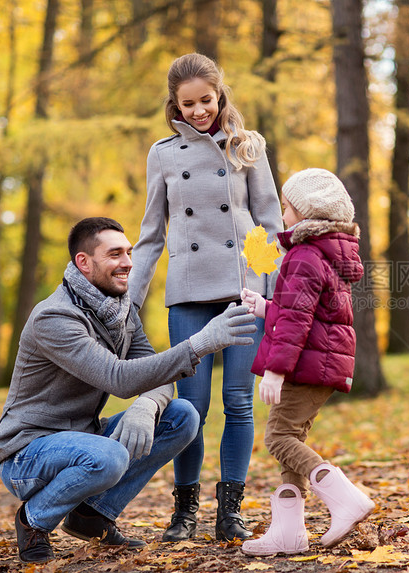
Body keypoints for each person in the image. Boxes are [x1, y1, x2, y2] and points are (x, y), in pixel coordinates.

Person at [0, 217, 257, 564]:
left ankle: (92, 516)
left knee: (182, 416)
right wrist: (200, 344)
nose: (128, 262)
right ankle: (34, 520)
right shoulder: (54, 317)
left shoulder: (119, 310)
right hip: (28, 451)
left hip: (83, 437)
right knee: (109, 457)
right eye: (114, 254)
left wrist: (147, 407)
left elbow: (154, 375)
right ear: (84, 263)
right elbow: (118, 377)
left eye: (128, 252)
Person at [128, 52, 282, 543]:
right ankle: (185, 509)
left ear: (220, 97)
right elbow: (151, 235)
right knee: (190, 408)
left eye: (206, 100)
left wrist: (267, 292)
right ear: (174, 105)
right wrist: (130, 301)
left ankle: (230, 509)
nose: (198, 111)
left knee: (238, 401)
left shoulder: (247, 146)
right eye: (187, 103)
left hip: (242, 291)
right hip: (190, 293)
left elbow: (271, 224)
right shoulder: (163, 154)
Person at [239, 168, 375, 556]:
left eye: (287, 207)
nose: (282, 215)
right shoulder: (326, 254)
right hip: (322, 361)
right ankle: (288, 532)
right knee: (292, 437)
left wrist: (275, 370)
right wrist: (266, 307)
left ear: (307, 211)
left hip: (302, 365)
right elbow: (307, 311)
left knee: (278, 438)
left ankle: (346, 498)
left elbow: (298, 322)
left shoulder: (303, 255)